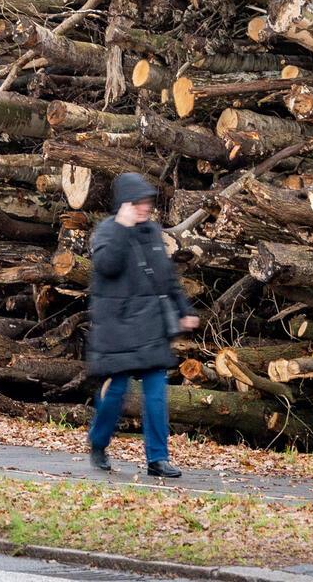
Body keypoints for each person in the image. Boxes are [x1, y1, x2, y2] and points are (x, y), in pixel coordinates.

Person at [84, 171, 199, 478]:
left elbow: (167, 278)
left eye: (148, 202)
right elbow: (106, 266)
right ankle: (97, 442)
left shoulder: (151, 233)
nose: (146, 207)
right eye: (139, 202)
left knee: (157, 395)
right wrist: (123, 227)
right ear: (125, 203)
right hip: (117, 327)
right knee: (114, 394)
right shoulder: (108, 230)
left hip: (150, 326)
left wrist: (183, 309)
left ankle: (157, 459)